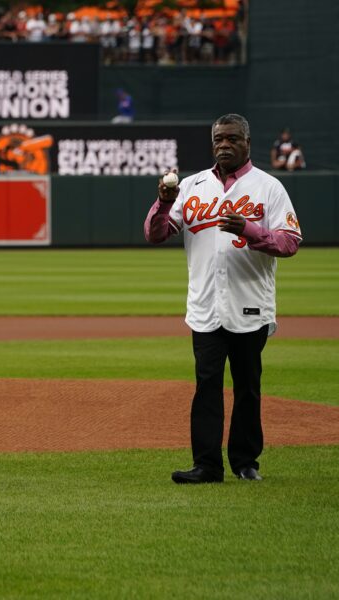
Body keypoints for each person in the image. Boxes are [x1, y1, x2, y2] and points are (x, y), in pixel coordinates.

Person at [144, 113, 302, 484]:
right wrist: (164, 203)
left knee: (247, 386)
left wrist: (249, 229)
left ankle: (246, 462)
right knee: (207, 386)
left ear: (247, 142)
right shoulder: (192, 185)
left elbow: (290, 241)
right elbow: (156, 234)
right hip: (205, 304)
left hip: (250, 302)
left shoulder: (268, 187)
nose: (224, 145)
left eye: (231, 138)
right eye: (218, 139)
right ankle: (207, 465)